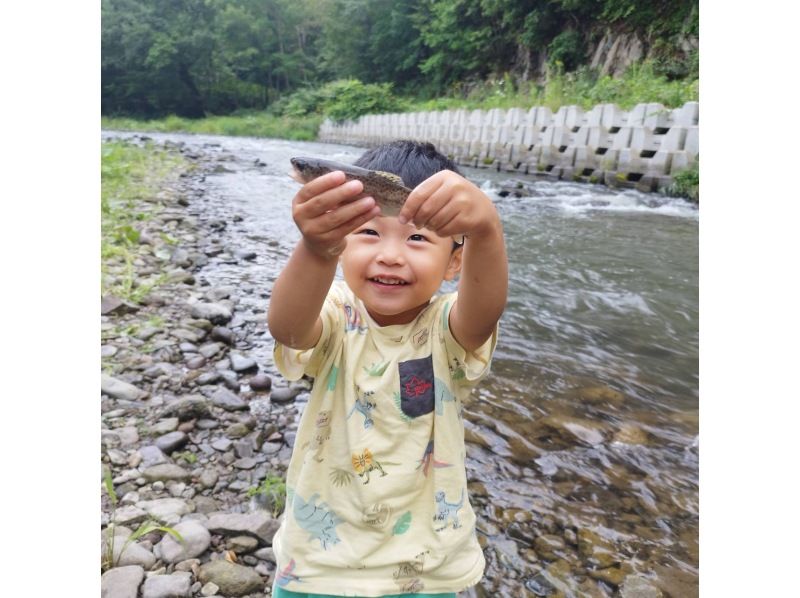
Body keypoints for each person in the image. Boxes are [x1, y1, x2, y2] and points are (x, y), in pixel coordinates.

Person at [266, 140, 508, 598]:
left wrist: (488, 229)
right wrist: (316, 250)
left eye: (417, 238)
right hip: (319, 562)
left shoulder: (446, 329)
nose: (391, 255)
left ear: (456, 260)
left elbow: (484, 314)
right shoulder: (335, 311)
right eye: (369, 234)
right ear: (343, 244)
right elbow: (290, 329)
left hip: (426, 567)